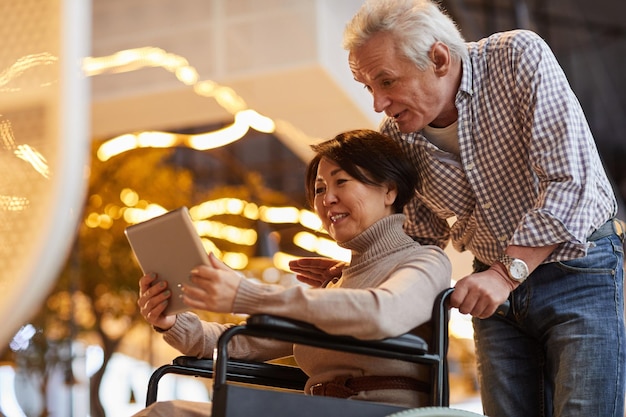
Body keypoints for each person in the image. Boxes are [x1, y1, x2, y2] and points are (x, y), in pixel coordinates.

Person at [289, 1, 626, 416]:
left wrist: (507, 273)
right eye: (368, 88)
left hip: (577, 267)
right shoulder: (398, 138)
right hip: (492, 291)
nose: (378, 103)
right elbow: (418, 234)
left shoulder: (517, 57)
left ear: (439, 58)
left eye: (387, 81)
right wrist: (359, 272)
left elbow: (570, 184)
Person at [133, 129, 451, 416]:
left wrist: (247, 294)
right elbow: (242, 344)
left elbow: (382, 313)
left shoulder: (425, 261)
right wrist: (173, 321)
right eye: (319, 188)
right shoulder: (334, 287)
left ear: (390, 191)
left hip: (382, 412)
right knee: (166, 412)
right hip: (312, 408)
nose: (327, 199)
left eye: (342, 182)